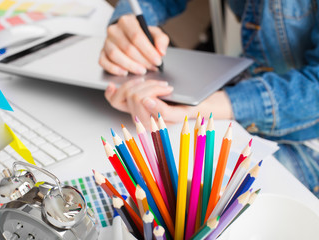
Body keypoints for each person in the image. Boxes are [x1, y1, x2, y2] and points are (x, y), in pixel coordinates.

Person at [99, 0, 319, 197]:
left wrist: (213, 104)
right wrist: (127, 24)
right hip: (237, 103)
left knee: (194, 195)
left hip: (306, 143)